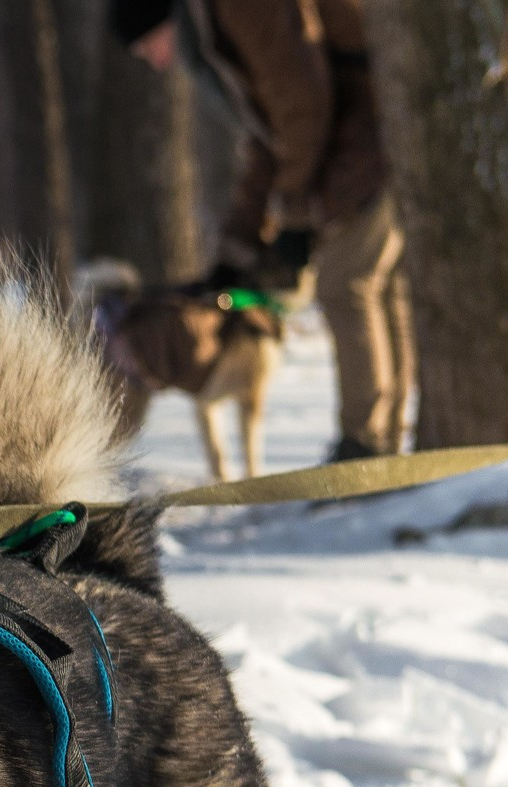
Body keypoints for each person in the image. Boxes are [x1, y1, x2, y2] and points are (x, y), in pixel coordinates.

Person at [111, 0, 413, 461]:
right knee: (368, 286)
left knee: (347, 286)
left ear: (165, 19)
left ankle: (366, 447)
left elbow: (303, 104)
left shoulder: (238, 9)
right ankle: (384, 441)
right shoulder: (215, 37)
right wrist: (237, 246)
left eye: (146, 45)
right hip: (357, 139)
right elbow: (269, 139)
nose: (152, 61)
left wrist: (292, 217)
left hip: (367, 135)